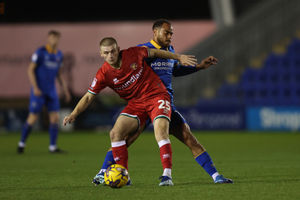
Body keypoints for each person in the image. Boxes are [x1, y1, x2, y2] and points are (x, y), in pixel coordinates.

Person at [93, 19, 233, 185]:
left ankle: (216, 176)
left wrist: (199, 67)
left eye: (171, 33)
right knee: (124, 140)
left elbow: (175, 71)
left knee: (188, 137)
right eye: (166, 32)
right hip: (145, 103)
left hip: (164, 102)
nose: (170, 36)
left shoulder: (170, 50)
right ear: (155, 32)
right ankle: (103, 172)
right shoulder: (143, 50)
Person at [63, 37, 197, 186]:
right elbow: (88, 97)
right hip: (137, 103)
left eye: (113, 51)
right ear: (101, 54)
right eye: (106, 53)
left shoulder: (133, 53)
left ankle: (167, 176)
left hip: (156, 95)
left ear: (118, 49)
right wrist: (74, 113)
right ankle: (123, 175)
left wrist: (179, 57)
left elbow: (156, 53)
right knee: (115, 133)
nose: (110, 55)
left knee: (160, 131)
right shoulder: (103, 74)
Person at [17, 30, 71, 154]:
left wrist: (65, 89)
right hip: (39, 91)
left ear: (58, 39)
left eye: (56, 38)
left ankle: (53, 147)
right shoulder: (40, 52)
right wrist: (35, 87)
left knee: (55, 118)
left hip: (52, 91)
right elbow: (30, 70)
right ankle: (21, 144)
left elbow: (59, 74)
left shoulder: (59, 55)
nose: (54, 40)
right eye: (52, 38)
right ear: (48, 39)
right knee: (33, 117)